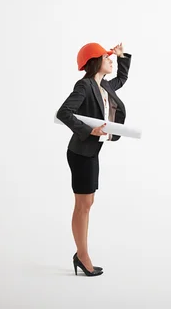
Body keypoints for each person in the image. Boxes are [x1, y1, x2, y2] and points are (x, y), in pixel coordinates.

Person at [56, 42, 132, 277]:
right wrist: (89, 130)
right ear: (95, 61)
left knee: (87, 204)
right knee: (82, 206)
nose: (110, 61)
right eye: (107, 58)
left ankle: (82, 254)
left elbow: (122, 79)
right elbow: (63, 113)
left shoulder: (105, 86)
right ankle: (82, 255)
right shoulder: (85, 85)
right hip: (80, 153)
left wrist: (122, 57)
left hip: (91, 153)